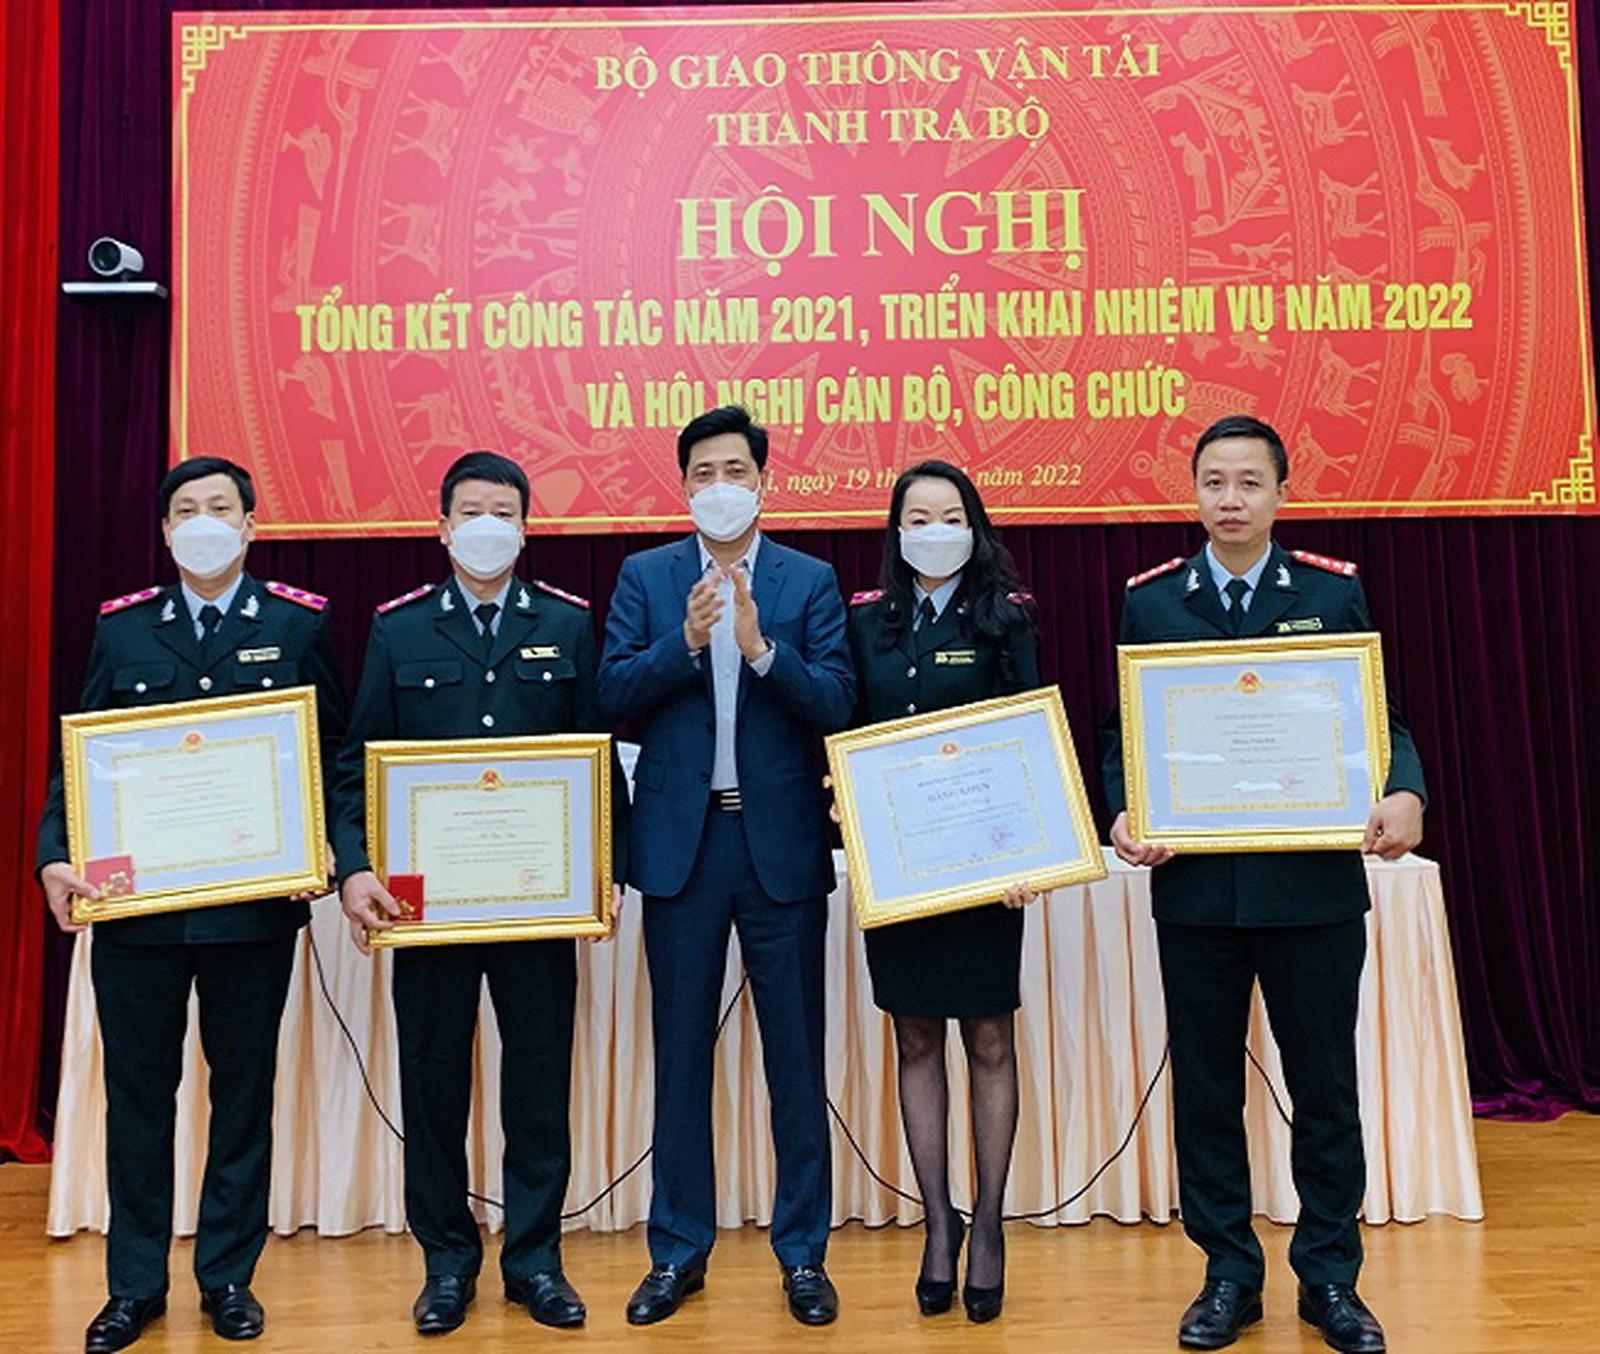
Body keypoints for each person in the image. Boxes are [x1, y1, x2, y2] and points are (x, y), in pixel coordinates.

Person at [1102, 415, 1425, 1354]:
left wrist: (1404, 790)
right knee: (1208, 1093)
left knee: (1325, 1090)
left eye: (1249, 482)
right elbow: (1126, 733)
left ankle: (1330, 1279)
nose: (1231, 500)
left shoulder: (1330, 591)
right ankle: (1228, 1276)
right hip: (1198, 892)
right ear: (1194, 493)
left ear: (1282, 493)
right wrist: (1124, 809)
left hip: (1310, 890)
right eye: (1214, 482)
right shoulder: (1153, 602)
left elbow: (1381, 717)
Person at [36, 457, 346, 1353]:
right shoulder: (123, 628)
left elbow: (330, 753)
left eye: (220, 507)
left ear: (250, 524)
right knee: (139, 1099)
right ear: (166, 530)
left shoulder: (296, 622)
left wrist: (324, 844)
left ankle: (227, 1279)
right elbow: (81, 759)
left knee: (243, 1096)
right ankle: (134, 1286)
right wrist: (56, 855)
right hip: (138, 914)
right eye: (185, 509)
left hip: (252, 912)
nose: (203, 521)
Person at [332, 451, 627, 1336]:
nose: (487, 526)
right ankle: (447, 1264)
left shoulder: (567, 624)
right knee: (432, 1089)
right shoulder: (399, 629)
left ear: (526, 528)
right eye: (471, 511)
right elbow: (356, 764)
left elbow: (599, 759)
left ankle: (535, 1261)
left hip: (538, 905)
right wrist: (354, 868)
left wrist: (607, 870)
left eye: (503, 511)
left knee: (537, 1086)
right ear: (443, 527)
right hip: (427, 911)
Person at [597, 406, 855, 1326]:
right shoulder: (647, 576)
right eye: (703, 472)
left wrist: (759, 650)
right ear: (684, 487)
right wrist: (687, 644)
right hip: (683, 848)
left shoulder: (808, 580)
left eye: (735, 470)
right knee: (680, 1060)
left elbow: (837, 702)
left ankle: (803, 1255)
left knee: (796, 1060)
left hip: (779, 847)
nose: (720, 486)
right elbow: (610, 692)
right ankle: (677, 1252)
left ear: (762, 483)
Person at [843, 460, 1048, 1323]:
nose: (934, 531)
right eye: (918, 518)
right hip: (900, 867)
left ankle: (990, 1223)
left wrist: (1031, 854)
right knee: (916, 1036)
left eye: (950, 516)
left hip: (985, 869)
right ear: (897, 531)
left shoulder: (1008, 617)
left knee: (990, 1038)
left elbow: (1033, 734)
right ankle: (939, 1223)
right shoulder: (867, 621)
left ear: (975, 526)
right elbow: (846, 728)